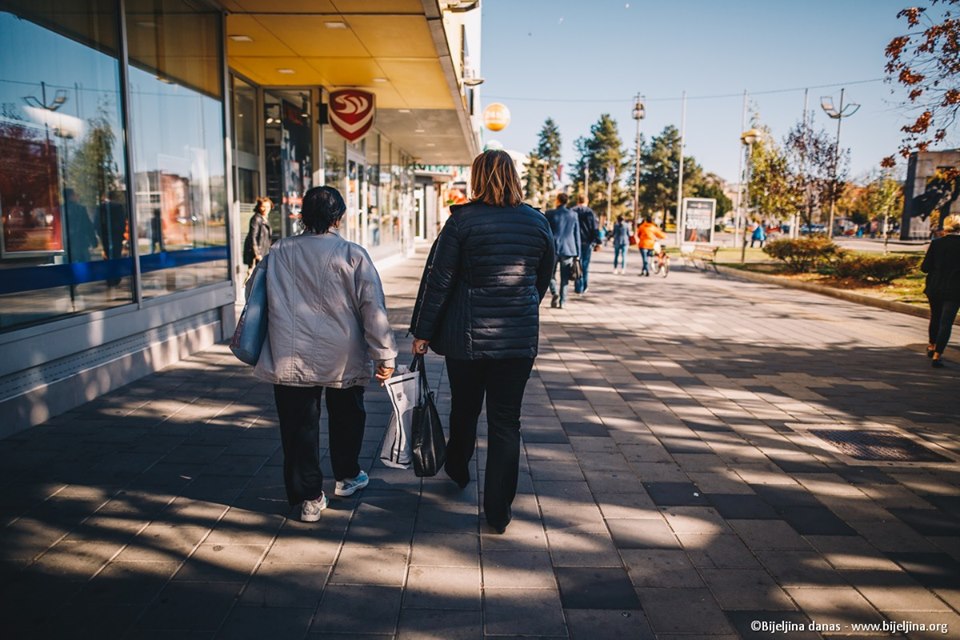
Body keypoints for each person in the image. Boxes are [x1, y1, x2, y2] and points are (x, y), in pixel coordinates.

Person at [410, 149, 555, 534]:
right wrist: (522, 306)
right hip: (517, 341)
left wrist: (423, 332)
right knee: (506, 422)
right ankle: (498, 510)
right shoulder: (537, 222)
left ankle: (458, 467)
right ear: (515, 177)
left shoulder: (461, 222)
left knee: (465, 408)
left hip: (467, 339)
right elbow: (543, 276)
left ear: (476, 178)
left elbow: (439, 281)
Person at [249, 186, 397, 522]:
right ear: (338, 217)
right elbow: (372, 307)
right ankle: (347, 476)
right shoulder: (353, 254)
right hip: (341, 354)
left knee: (298, 426)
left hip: (289, 351)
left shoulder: (280, 250)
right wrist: (384, 355)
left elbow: (254, 292)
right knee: (348, 416)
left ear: (303, 216)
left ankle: (310, 498)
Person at [920, 213, 960, 368]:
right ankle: (937, 355)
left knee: (935, 317)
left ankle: (931, 345)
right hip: (956, 288)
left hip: (935, 287)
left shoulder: (936, 244)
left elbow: (924, 268)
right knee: (946, 322)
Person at [545, 193, 580, 308]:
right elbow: (576, 235)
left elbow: (546, 232)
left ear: (558, 200)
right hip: (569, 249)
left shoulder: (550, 214)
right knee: (565, 277)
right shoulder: (573, 215)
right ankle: (563, 301)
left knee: (550, 274)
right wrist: (578, 253)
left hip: (553, 248)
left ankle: (555, 293)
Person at [572, 194, 600, 295]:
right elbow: (594, 228)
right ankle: (584, 286)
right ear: (587, 201)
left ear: (578, 201)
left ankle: (578, 287)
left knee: (576, 263)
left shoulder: (572, 211)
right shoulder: (590, 212)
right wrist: (597, 241)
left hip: (575, 241)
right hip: (587, 242)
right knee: (585, 265)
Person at [243, 197, 274, 275]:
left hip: (264, 251)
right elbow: (253, 237)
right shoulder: (256, 219)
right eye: (263, 206)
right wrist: (257, 254)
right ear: (259, 207)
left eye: (268, 207)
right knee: (255, 275)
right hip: (257, 253)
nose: (266, 209)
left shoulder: (264, 219)